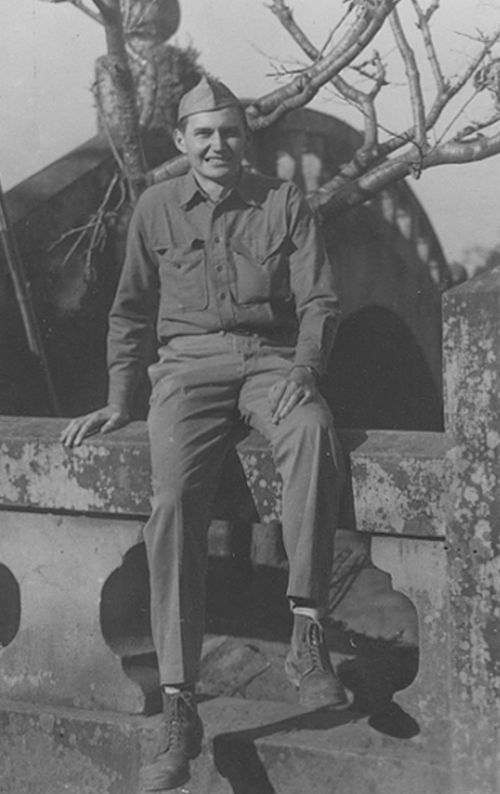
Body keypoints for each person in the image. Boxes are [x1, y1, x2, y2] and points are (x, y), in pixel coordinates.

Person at [61, 76, 347, 792]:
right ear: (182, 141)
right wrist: (118, 399)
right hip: (186, 370)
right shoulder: (155, 208)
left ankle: (307, 635)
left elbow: (318, 302)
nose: (219, 145)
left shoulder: (283, 203)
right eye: (204, 134)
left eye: (231, 132)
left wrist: (307, 369)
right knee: (175, 503)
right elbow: (128, 314)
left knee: (311, 431)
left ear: (244, 139)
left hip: (271, 362)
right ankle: (179, 708)